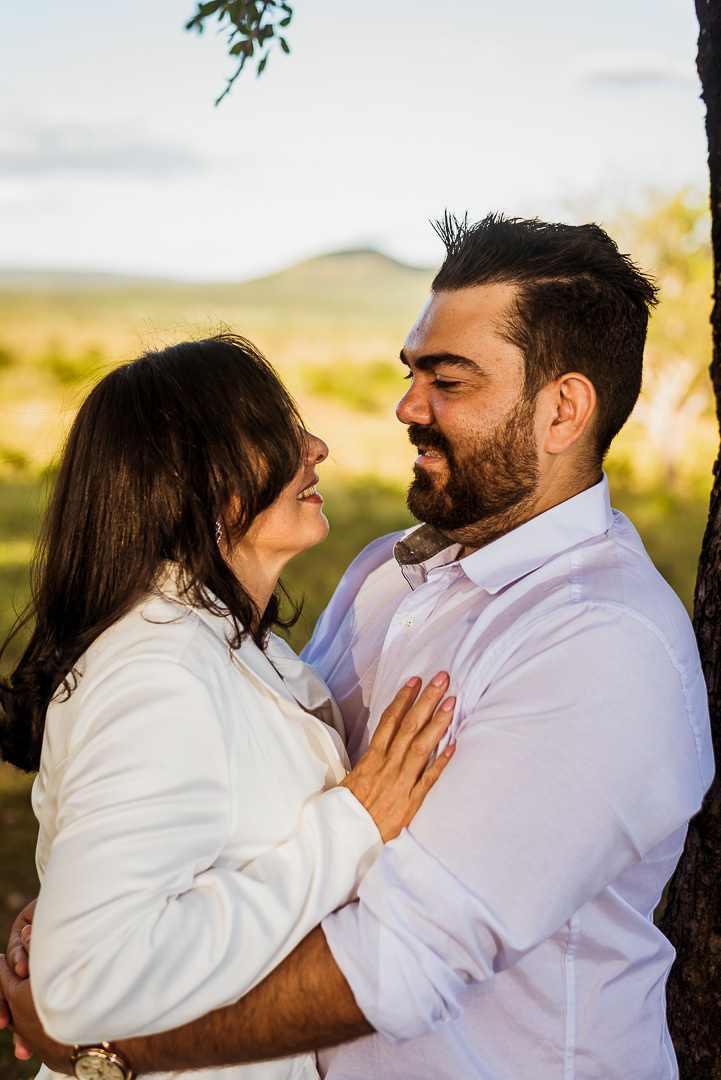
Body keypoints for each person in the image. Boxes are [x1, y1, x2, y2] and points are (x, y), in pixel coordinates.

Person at [2, 214, 714, 1080]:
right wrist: (93, 889)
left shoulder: (602, 644)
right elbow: (231, 795)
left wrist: (99, 1045)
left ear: (562, 409)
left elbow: (397, 958)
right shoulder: (388, 572)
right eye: (411, 373)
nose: (406, 407)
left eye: (445, 381)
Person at [0, 333, 456, 1080]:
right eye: (275, 434)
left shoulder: (229, 643)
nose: (315, 446)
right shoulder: (159, 673)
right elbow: (84, 984)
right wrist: (350, 826)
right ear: (199, 486)